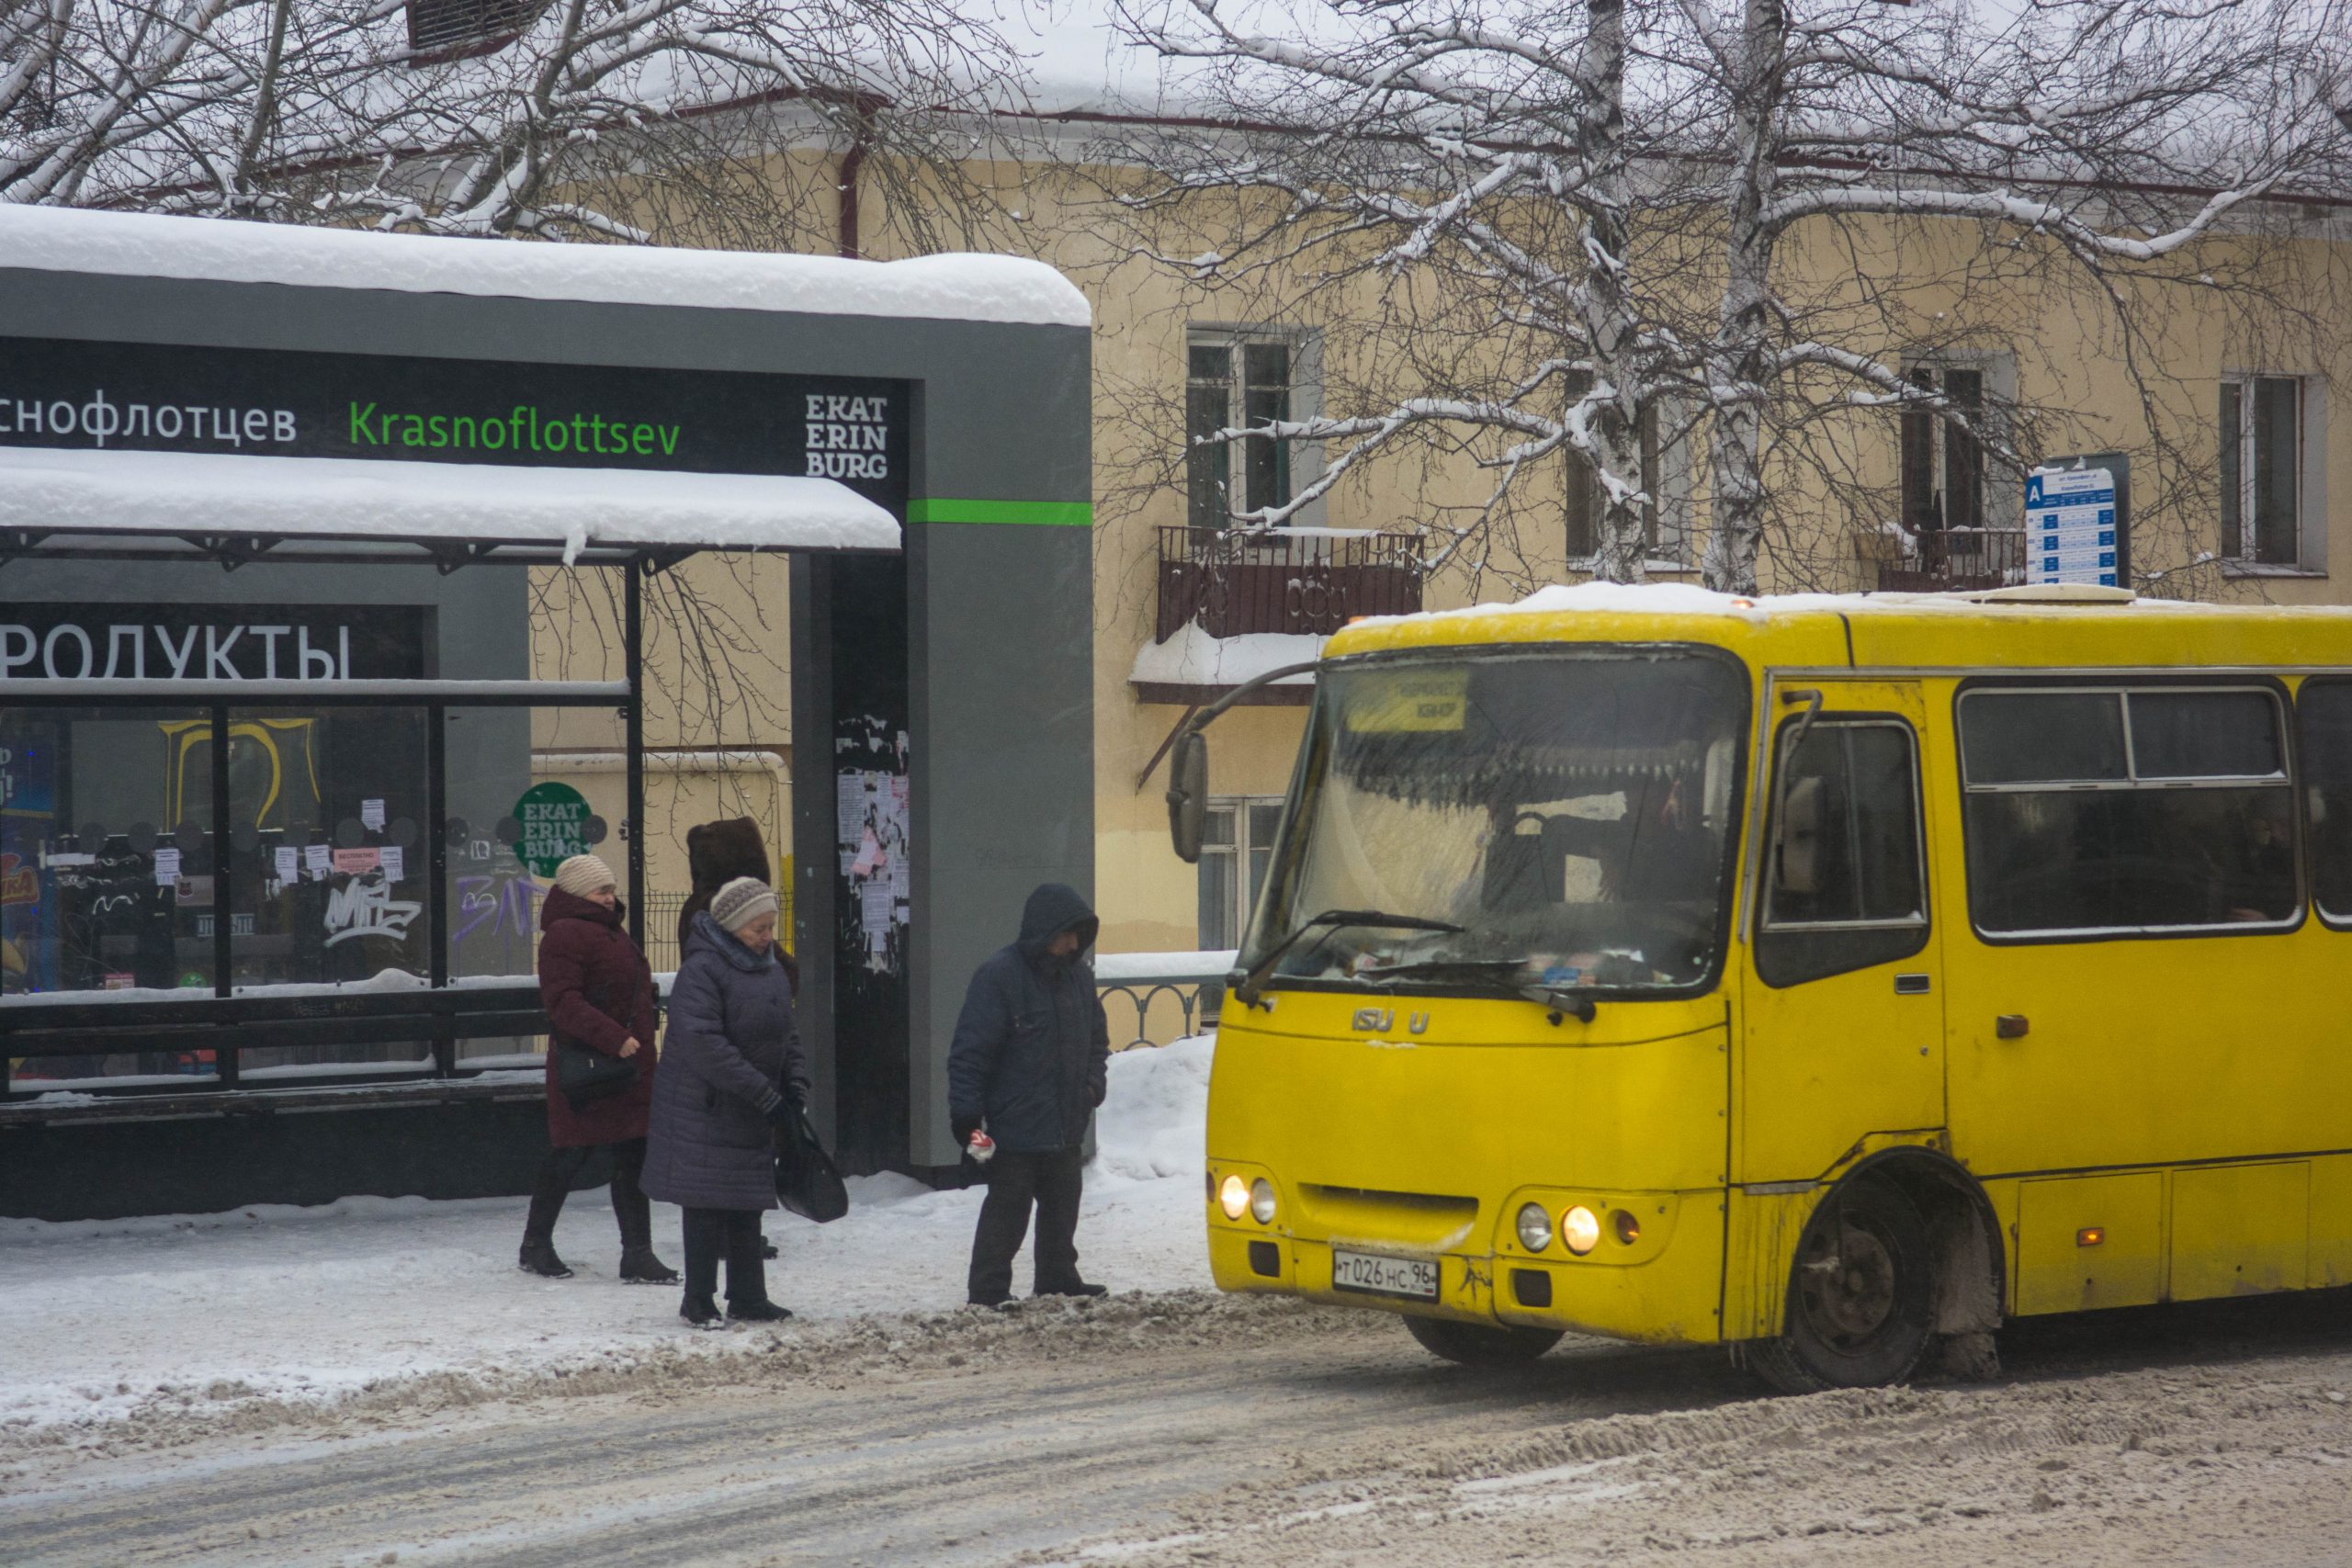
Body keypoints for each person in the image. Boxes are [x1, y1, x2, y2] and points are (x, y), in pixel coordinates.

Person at [641, 875, 808, 1328]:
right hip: (706, 1106)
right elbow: (703, 1042)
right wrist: (762, 1091)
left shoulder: (769, 966)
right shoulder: (704, 969)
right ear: (733, 925)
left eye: (771, 926)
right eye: (759, 928)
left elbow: (785, 1031)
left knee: (747, 1203)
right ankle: (698, 1301)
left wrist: (794, 1083)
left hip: (752, 1104)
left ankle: (749, 1297)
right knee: (706, 1207)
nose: (768, 936)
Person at [947, 883, 1112, 1308]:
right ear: (1043, 932)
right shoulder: (999, 976)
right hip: (1015, 1126)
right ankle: (988, 1291)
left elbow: (1097, 1040)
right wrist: (967, 1118)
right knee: (1007, 1213)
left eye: (1079, 935)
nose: (1074, 944)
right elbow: (971, 1054)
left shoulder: (1078, 977)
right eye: (1066, 935)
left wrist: (1092, 1088)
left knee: (1062, 1209)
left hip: (1066, 1120)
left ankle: (1058, 1278)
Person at [524, 853, 674, 1283]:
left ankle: (638, 1253)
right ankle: (536, 1245)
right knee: (570, 1155)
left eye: (611, 890)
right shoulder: (565, 934)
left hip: (625, 1068)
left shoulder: (606, 931)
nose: (610, 898)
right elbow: (563, 1001)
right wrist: (614, 1037)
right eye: (600, 891)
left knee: (631, 1154)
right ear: (576, 894)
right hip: (590, 1067)